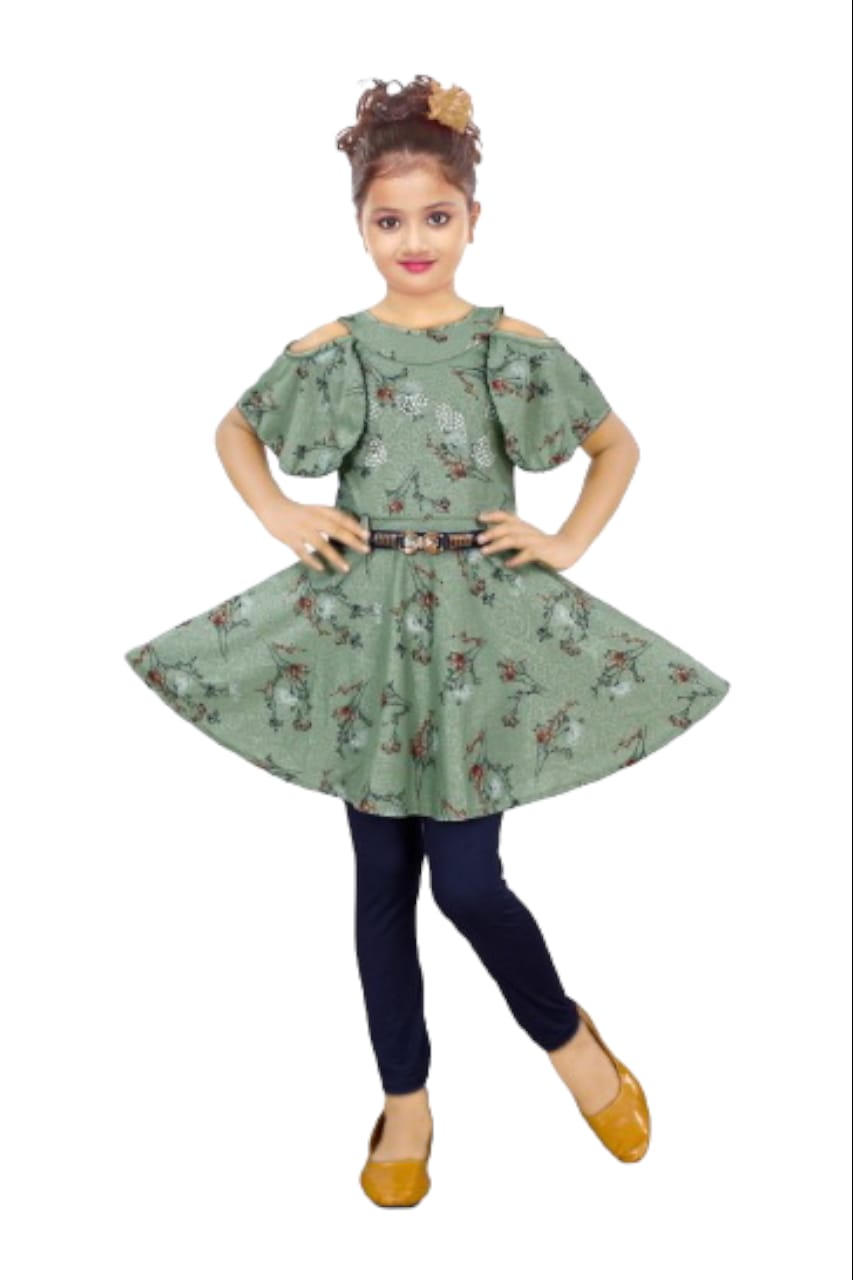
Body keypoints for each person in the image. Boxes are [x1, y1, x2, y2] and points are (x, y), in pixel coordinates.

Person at [124, 75, 731, 1208]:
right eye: (389, 219)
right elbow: (235, 430)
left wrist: (566, 541)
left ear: (472, 219)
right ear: (358, 224)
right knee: (380, 886)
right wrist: (280, 511)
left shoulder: (511, 346)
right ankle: (405, 1101)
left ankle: (568, 1040)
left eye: (436, 217)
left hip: (476, 633)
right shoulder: (334, 349)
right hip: (363, 631)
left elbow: (615, 446)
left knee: (466, 881)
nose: (414, 240)